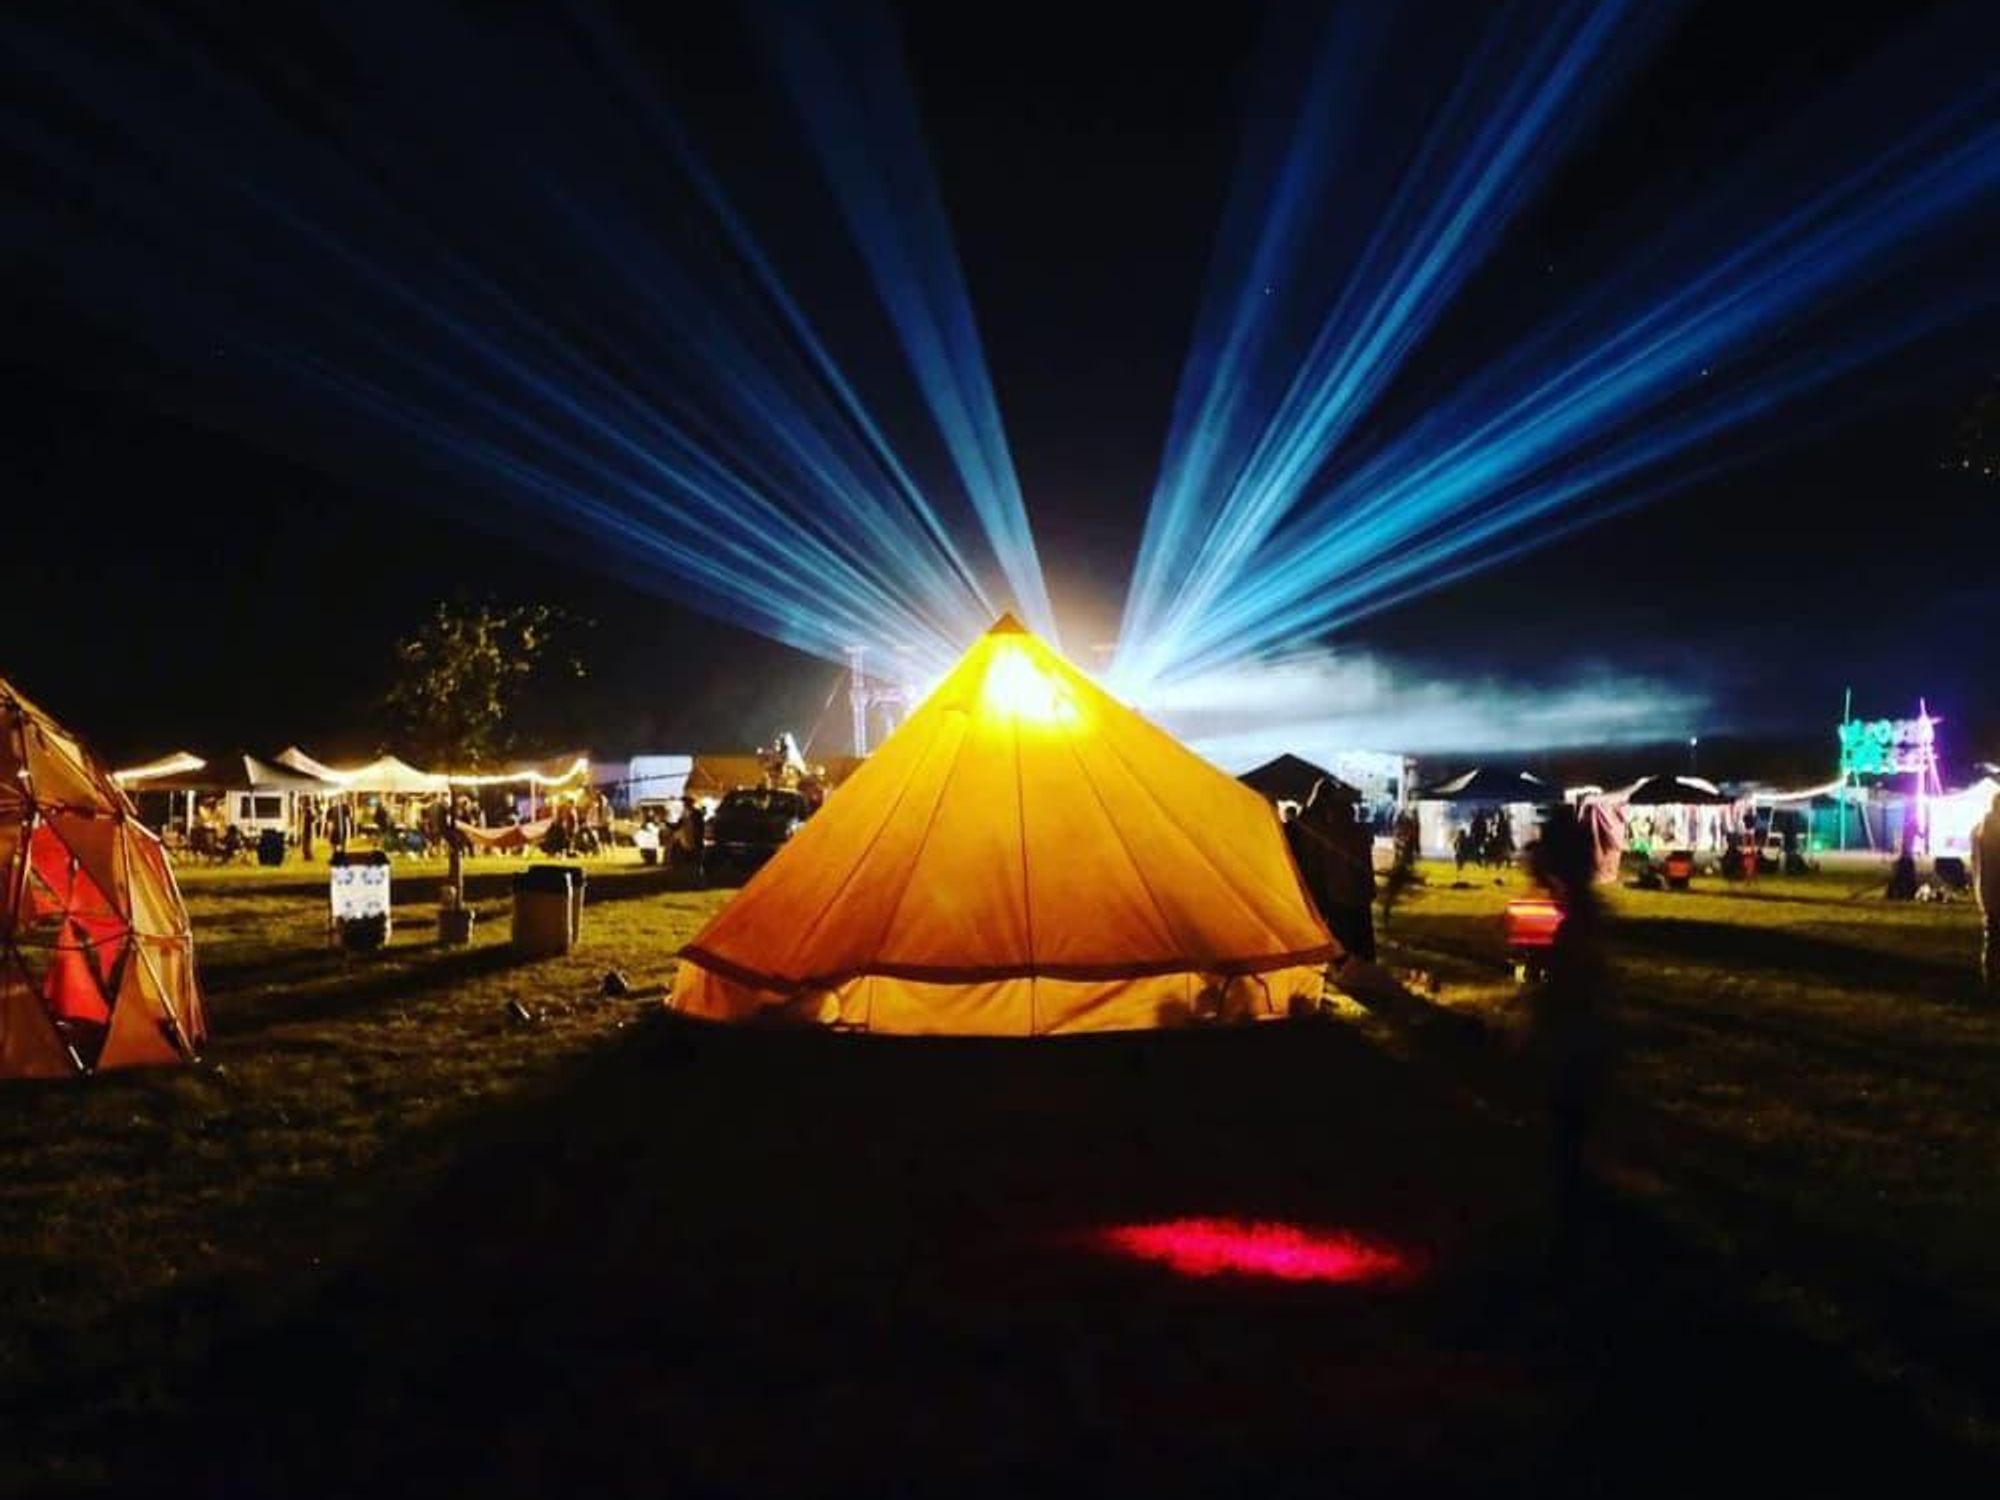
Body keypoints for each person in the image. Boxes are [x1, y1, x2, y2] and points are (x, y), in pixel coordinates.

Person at [1524, 803, 1614, 1263]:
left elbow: (1553, 971)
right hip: (1579, 1023)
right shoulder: (1580, 908)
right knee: (1572, 1118)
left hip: (1569, 1026)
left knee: (1566, 1117)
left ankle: (1568, 1216)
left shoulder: (1569, 913)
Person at [1974, 792, 2000, 998]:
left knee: (1991, 936)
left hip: (1986, 889)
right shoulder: (1994, 829)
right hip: (1995, 889)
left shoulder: (1981, 828)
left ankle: (1989, 976)